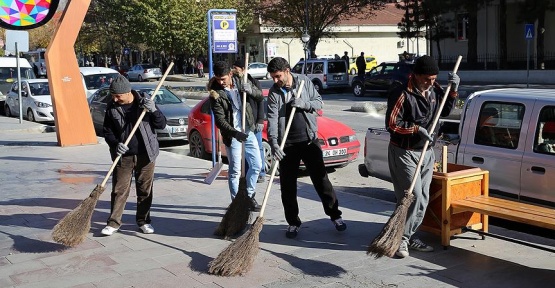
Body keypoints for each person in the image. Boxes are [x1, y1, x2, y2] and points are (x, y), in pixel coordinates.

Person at [385, 55, 460, 258]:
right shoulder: (402, 93)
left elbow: (444, 109)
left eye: (434, 78)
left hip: (426, 151)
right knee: (412, 196)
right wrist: (416, 129)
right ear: (416, 75)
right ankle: (401, 239)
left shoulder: (435, 90)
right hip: (404, 152)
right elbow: (392, 124)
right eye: (427, 78)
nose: (431, 82)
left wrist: (453, 91)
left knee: (423, 198)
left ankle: (408, 235)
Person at [266, 57, 346, 239]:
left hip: (309, 140)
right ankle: (293, 222)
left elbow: (319, 103)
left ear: (287, 71)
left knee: (321, 180)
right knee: (287, 186)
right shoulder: (274, 92)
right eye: (273, 77)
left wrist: (304, 104)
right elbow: (271, 119)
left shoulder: (304, 82)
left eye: (278, 76)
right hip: (287, 144)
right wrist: (274, 143)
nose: (275, 81)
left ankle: (335, 216)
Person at [101, 74, 167, 236]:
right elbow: (107, 132)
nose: (115, 99)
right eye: (113, 96)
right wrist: (116, 144)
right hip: (123, 156)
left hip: (146, 154)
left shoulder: (144, 103)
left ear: (128, 92)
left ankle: (143, 221)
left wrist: (153, 111)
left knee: (145, 190)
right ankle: (113, 223)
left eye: (118, 96)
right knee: (119, 189)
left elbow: (161, 124)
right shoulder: (112, 107)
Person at [208, 60, 263, 210]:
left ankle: (250, 196)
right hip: (233, 136)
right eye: (218, 79)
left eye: (223, 79)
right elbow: (220, 121)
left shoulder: (242, 81)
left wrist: (250, 90)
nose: (221, 82)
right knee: (235, 171)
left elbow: (260, 96)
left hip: (248, 130)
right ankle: (237, 203)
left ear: (230, 74)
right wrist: (235, 133)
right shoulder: (215, 94)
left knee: (257, 165)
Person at [233, 58, 266, 183]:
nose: (234, 70)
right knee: (245, 150)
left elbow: (260, 100)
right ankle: (247, 172)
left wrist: (260, 120)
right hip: (240, 122)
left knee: (257, 147)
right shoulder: (234, 82)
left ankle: (260, 172)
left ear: (243, 69)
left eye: (236, 68)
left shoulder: (253, 82)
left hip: (253, 122)